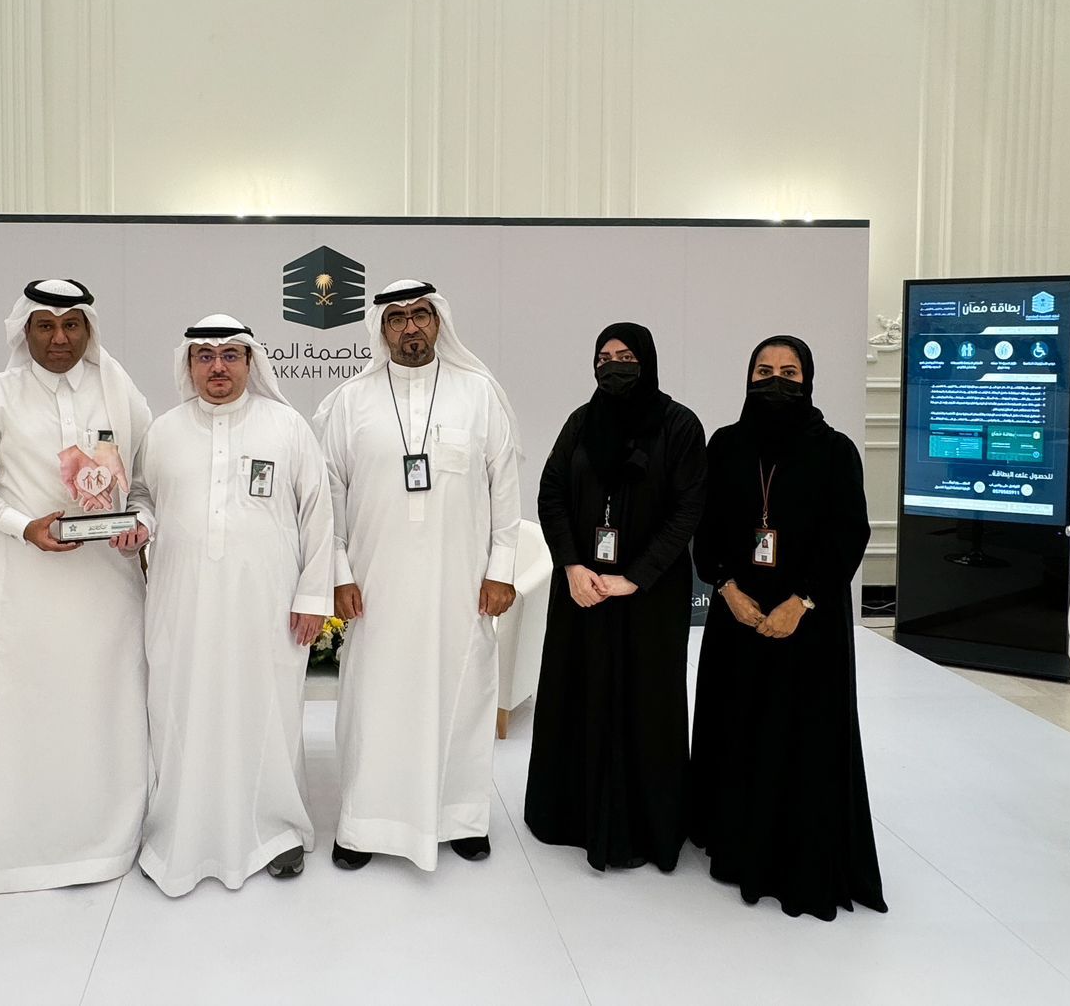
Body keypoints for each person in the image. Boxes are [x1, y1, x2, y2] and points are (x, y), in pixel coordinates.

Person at [0, 279, 152, 896]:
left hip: (106, 590)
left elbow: (145, 485)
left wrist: (139, 526)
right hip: (24, 587)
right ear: (24, 331)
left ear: (88, 330)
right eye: (45, 325)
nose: (59, 338)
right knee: (24, 712)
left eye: (71, 324)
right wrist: (23, 526)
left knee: (102, 708)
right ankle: (14, 848)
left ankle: (108, 841)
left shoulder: (120, 392)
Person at [119, 314, 334, 896]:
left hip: (266, 604)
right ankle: (176, 831)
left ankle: (276, 828)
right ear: (188, 364)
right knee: (180, 709)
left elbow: (318, 514)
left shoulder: (286, 426)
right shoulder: (164, 431)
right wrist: (138, 523)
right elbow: (143, 496)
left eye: (230, 355)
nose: (218, 367)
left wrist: (313, 596)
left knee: (268, 711)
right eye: (205, 356)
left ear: (250, 362)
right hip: (181, 603)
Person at [314, 279, 520, 870]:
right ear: (380, 329)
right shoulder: (350, 402)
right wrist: (339, 574)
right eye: (397, 317)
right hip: (376, 589)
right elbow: (330, 497)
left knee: (463, 695)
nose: (410, 327)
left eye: (421, 315)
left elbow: (505, 489)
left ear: (438, 322)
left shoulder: (478, 395)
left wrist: (501, 569)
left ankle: (461, 818)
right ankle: (364, 823)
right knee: (374, 702)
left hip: (462, 587)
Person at [687, 335, 887, 920]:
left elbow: (849, 534)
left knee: (800, 736)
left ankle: (792, 856)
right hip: (738, 616)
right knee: (738, 725)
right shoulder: (725, 445)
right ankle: (734, 841)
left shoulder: (835, 450)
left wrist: (801, 602)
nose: (776, 380)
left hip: (809, 626)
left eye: (789, 372)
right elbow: (707, 527)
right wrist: (726, 588)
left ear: (808, 380)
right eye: (764, 370)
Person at [524, 323, 707, 871]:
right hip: (582, 591)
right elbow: (551, 492)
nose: (613, 366)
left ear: (646, 360)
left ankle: (646, 827)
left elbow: (688, 509)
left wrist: (636, 577)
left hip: (650, 596)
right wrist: (571, 565)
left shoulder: (679, 425)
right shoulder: (582, 422)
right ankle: (572, 817)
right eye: (603, 358)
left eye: (625, 356)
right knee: (578, 692)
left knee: (646, 701)